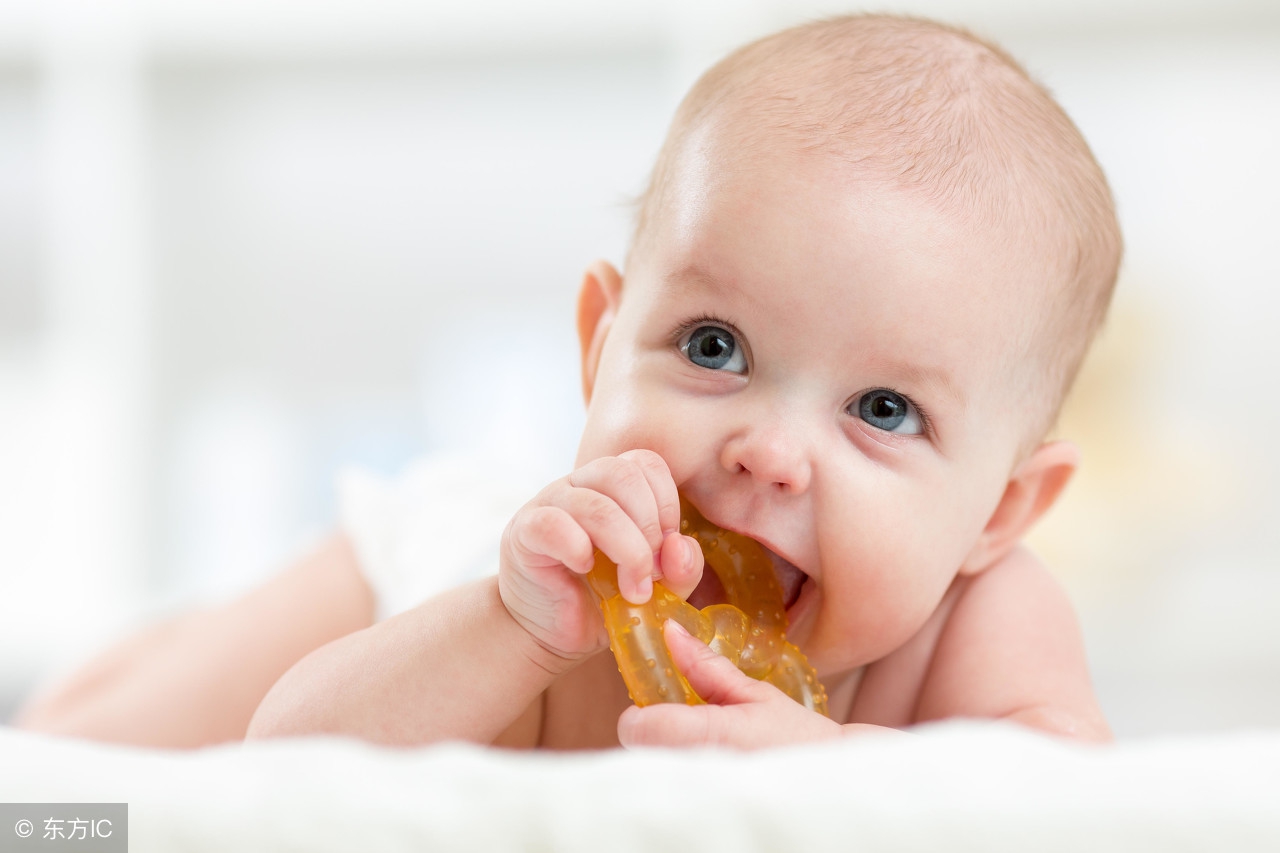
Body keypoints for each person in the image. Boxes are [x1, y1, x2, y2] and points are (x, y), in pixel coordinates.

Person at [18, 13, 1118, 749]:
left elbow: (1065, 811)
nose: (767, 453)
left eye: (882, 410)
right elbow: (287, 764)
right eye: (712, 347)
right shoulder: (541, 594)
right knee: (81, 766)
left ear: (1000, 510)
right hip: (415, 575)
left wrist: (841, 778)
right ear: (600, 343)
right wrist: (511, 624)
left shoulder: (980, 625)